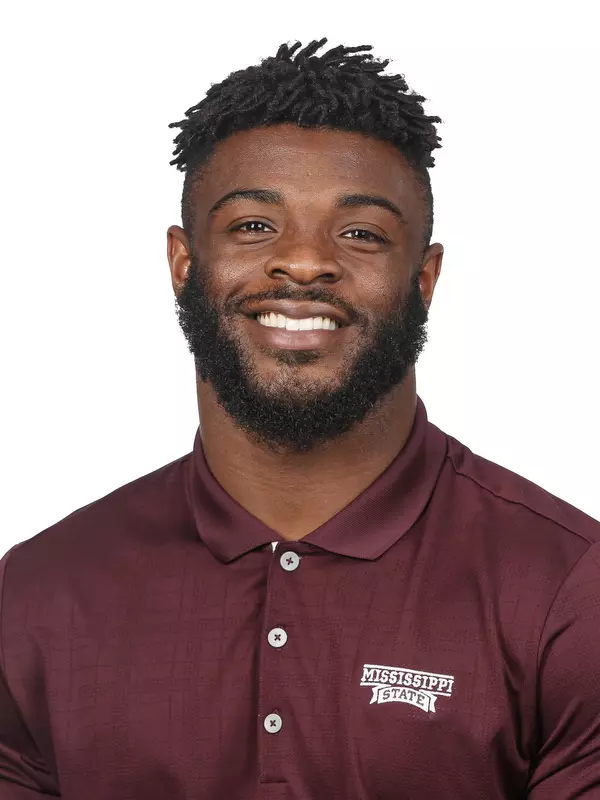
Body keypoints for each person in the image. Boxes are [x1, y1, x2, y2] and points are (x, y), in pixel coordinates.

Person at [0, 37, 598, 800]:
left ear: (424, 277)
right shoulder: (41, 591)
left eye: (360, 234)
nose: (305, 262)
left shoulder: (569, 587)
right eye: (254, 225)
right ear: (186, 264)